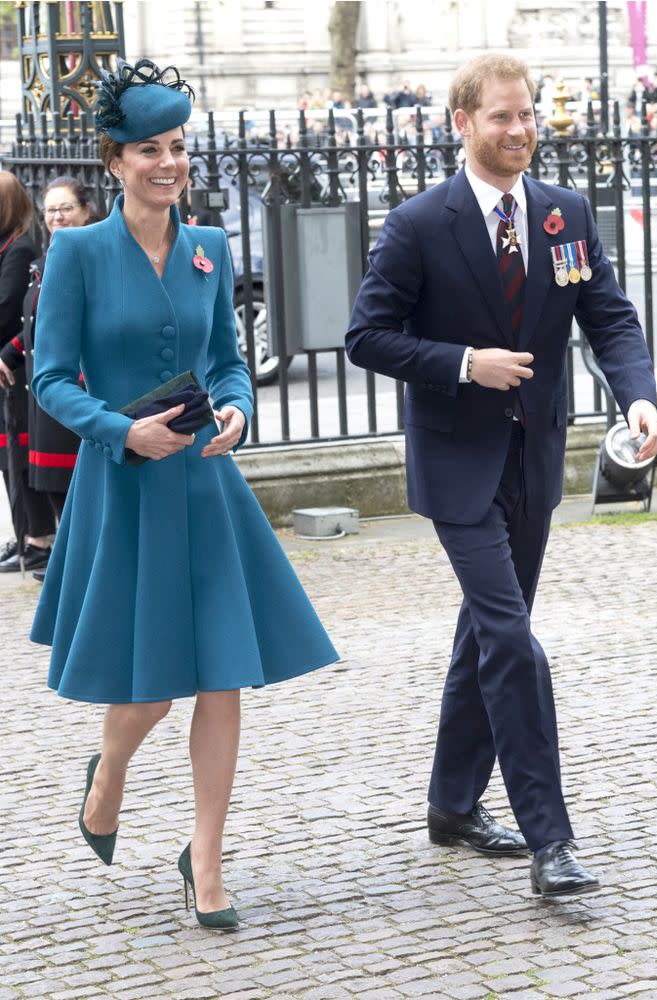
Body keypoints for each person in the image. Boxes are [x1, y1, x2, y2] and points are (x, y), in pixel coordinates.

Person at [346, 53, 657, 899]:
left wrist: (637, 399)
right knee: (513, 639)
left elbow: (610, 318)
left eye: (527, 116)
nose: (519, 130)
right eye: (501, 117)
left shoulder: (564, 213)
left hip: (536, 460)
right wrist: (462, 364)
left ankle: (451, 806)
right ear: (462, 122)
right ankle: (549, 840)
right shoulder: (419, 224)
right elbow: (366, 337)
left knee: (488, 634)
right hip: (457, 463)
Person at [31, 58, 338, 930]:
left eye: (178, 149)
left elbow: (229, 363)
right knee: (149, 694)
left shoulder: (210, 248)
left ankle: (206, 857)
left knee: (222, 677)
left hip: (205, 484)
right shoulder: (79, 253)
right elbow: (50, 379)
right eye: (149, 150)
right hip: (124, 488)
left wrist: (236, 403)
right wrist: (119, 430)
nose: (168, 163)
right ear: (116, 162)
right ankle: (112, 772)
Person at [0, 176, 95, 581]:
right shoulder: (51, 255)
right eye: (51, 209)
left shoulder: (92, 252)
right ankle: (68, 558)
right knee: (50, 480)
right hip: (45, 382)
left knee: (72, 479)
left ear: (86, 210)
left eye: (66, 208)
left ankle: (79, 562)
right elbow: (34, 319)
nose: (57, 216)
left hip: (75, 385)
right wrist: (12, 352)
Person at [0, 171, 55, 573]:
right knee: (10, 457)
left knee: (20, 456)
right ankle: (25, 537)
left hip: (16, 369)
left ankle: (38, 539)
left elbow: (7, 308)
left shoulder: (20, 250)